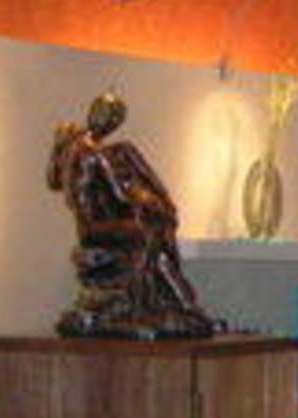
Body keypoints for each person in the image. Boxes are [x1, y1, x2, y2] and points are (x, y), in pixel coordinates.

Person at [48, 91, 216, 338]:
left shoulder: (72, 144)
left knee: (155, 230)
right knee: (149, 234)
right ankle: (143, 305)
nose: (110, 122)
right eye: (111, 117)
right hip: (93, 230)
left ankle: (181, 304)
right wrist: (148, 200)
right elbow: (120, 197)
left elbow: (53, 181)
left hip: (90, 225)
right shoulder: (95, 154)